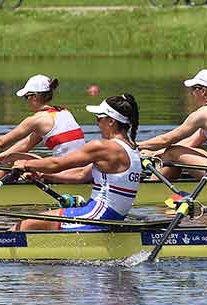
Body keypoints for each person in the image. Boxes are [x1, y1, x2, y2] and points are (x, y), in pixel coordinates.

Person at [12, 94, 142, 231]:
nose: (97, 123)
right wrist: (43, 175)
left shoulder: (104, 147)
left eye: (99, 118)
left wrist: (25, 164)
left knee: (25, 225)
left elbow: (57, 164)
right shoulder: (131, 148)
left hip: (97, 216)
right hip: (111, 217)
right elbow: (81, 174)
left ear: (111, 121)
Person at [0, 74, 87, 181]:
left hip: (63, 170)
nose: (26, 101)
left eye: (26, 97)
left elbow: (1, 143)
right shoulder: (63, 111)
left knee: (13, 159)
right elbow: (25, 145)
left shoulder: (36, 120)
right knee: (14, 158)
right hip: (80, 169)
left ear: (34, 97)